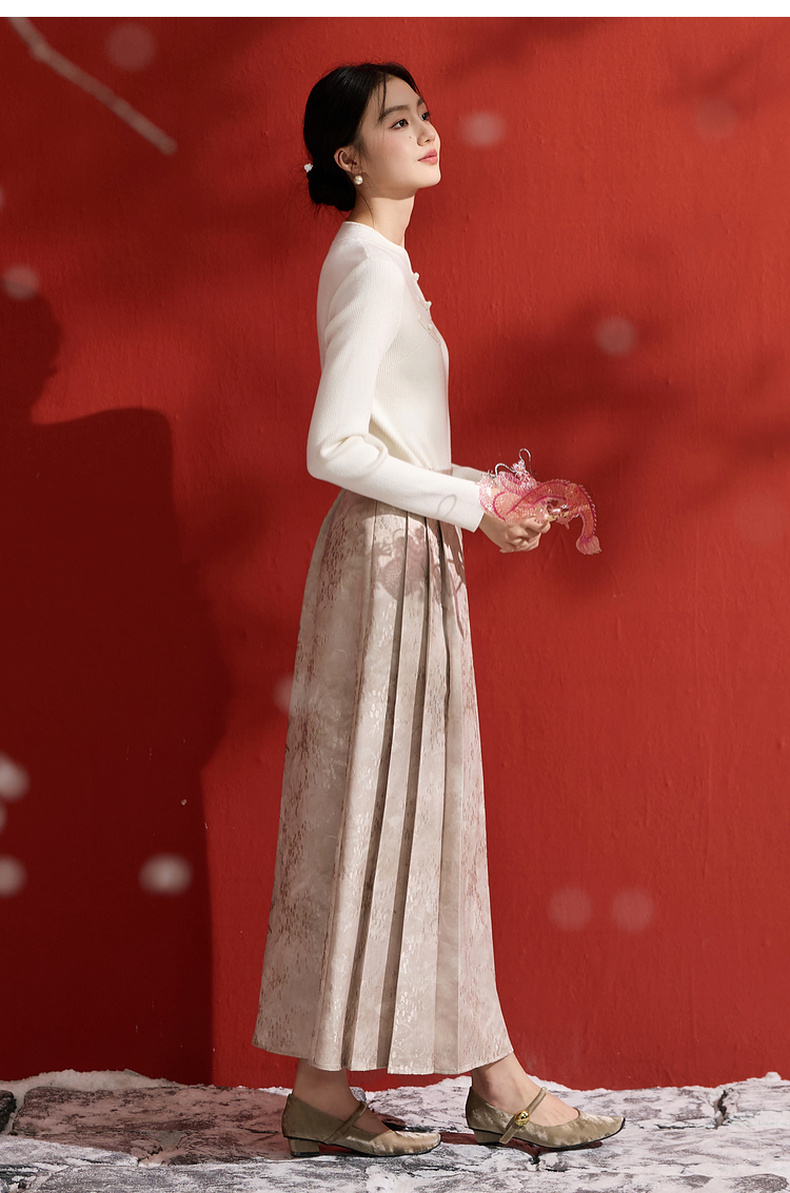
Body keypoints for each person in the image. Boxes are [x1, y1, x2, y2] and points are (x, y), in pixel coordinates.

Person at [252, 61, 624, 1159]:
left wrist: (487, 494)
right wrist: (471, 504)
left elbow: (390, 442)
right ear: (347, 156)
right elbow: (331, 447)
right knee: (416, 812)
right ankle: (498, 1085)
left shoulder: (379, 261)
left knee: (390, 811)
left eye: (424, 113)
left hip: (400, 552)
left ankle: (325, 1090)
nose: (425, 131)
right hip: (386, 563)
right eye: (396, 120)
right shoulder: (368, 267)